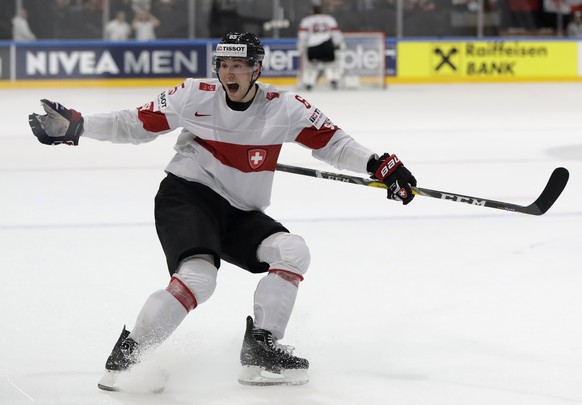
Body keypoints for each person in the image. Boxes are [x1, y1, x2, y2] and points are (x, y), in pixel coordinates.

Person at [28, 32, 416, 390]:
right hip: (188, 195)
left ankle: (261, 350)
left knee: (293, 251)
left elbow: (334, 143)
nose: (229, 73)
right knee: (199, 277)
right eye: (223, 65)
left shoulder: (285, 107)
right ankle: (126, 360)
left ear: (256, 70)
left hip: (240, 211)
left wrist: (378, 165)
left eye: (239, 66)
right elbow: (135, 123)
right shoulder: (193, 94)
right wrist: (78, 127)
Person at [297, 5, 345, 90]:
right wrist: (338, 44)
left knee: (312, 66)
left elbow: (302, 36)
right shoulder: (329, 18)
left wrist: (301, 46)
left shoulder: (307, 20)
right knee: (329, 65)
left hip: (312, 46)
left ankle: (309, 83)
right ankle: (333, 80)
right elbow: (336, 33)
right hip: (327, 45)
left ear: (312, 11)